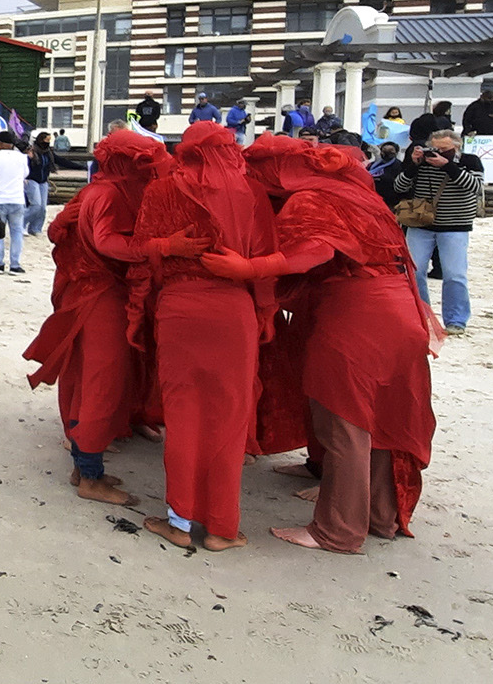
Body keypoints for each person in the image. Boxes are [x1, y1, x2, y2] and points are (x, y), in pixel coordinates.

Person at [210, 135, 436, 553]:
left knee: (344, 421)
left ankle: (338, 530)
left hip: (356, 313)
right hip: (401, 307)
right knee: (382, 418)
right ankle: (379, 516)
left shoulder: (311, 199)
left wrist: (249, 267)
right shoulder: (356, 194)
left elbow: (314, 250)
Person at [133, 121, 277, 552]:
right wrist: (265, 313)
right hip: (234, 311)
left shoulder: (161, 190)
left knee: (183, 416)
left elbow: (141, 252)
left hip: (180, 310)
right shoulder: (250, 193)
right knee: (230, 419)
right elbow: (265, 260)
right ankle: (221, 529)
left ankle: (178, 522)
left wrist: (167, 251)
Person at [24, 129, 179, 508]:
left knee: (95, 379)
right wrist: (161, 246)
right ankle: (89, 476)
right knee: (101, 382)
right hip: (101, 297)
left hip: (98, 293)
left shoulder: (105, 190)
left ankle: (85, 466)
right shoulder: (107, 193)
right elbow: (107, 241)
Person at [393, 129, 483, 333]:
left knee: (454, 274)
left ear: (457, 147)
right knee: (414, 271)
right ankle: (421, 315)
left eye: (445, 149)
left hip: (455, 224)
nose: (438, 153)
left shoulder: (470, 161)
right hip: (420, 224)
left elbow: (476, 187)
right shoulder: (421, 162)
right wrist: (413, 165)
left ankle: (456, 320)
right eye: (435, 149)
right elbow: (399, 186)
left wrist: (449, 166)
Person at [0, 132, 29, 274]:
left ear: (0, 143)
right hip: (17, 198)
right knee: (16, 233)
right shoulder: (21, 157)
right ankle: (15, 264)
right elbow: (25, 174)